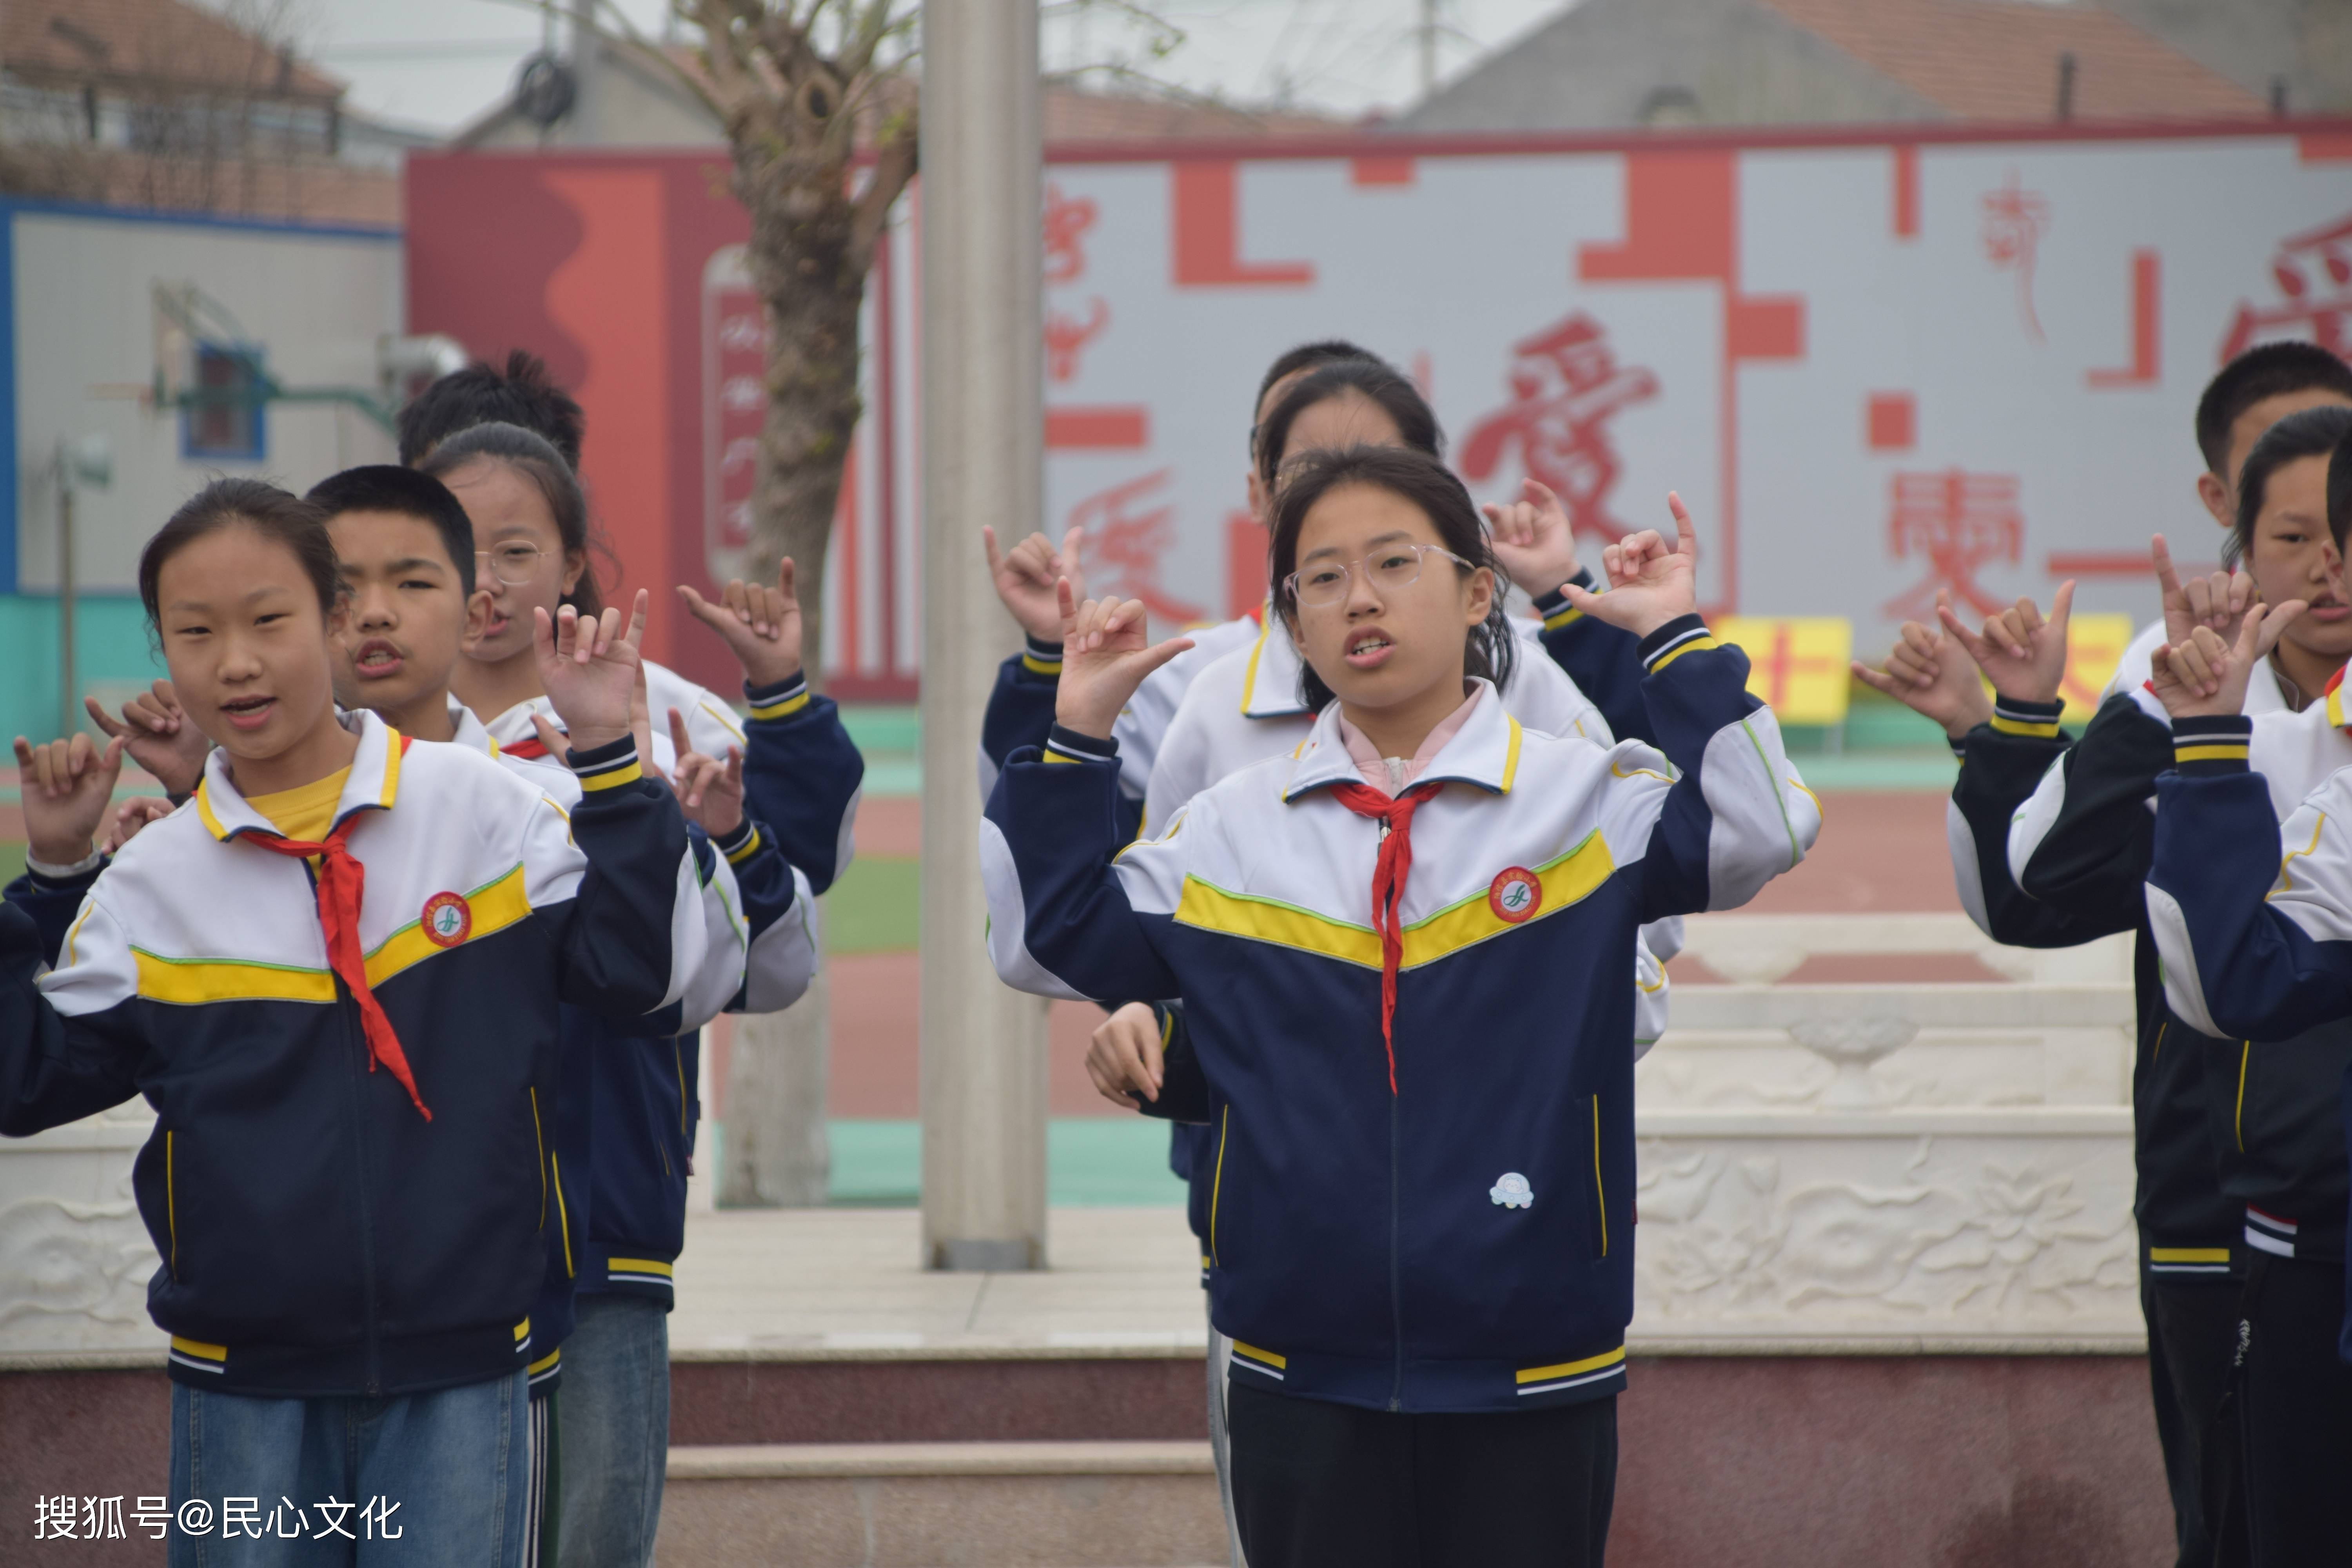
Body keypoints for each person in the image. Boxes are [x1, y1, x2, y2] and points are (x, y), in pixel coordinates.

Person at [983, 445, 1818, 1566]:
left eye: (1392, 562)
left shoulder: (1581, 799)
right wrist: (1073, 733)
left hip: (1534, 1368)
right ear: (1290, 619)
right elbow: (1048, 936)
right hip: (1299, 1375)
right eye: (1319, 579)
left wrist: (1673, 633)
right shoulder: (1235, 829)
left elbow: (1763, 825)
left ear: (1480, 589)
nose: (1358, 599)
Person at [1, 478, 706, 1567]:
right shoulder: (153, 882)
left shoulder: (485, 814)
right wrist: (49, 879)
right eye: (196, 633)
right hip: (244, 1383)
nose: (235, 662)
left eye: (268, 621)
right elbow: (27, 1083)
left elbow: (638, 979)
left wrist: (612, 764)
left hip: (466, 1370)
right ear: (165, 652)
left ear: (334, 622)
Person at [303, 462, 820, 1567]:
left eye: (511, 554)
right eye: (355, 583)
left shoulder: (616, 738)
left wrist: (654, 774)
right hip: (348, 1270)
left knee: (581, 1534)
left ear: (576, 564)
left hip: (595, 1230)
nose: (481, 589)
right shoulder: (258, 794)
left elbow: (723, 964)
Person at [2002, 407, 2352, 1568]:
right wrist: (2178, 720)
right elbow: (2042, 883)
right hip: (2262, 1225)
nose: (2317, 567)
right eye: (2295, 535)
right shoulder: (2258, 746)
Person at [2103, 341, 2352, 710]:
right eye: (2278, 450)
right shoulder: (2167, 663)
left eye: (2339, 444)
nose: (2326, 565)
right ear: (2220, 499)